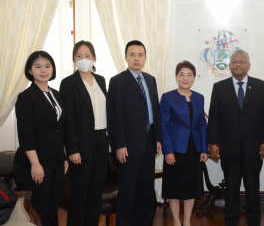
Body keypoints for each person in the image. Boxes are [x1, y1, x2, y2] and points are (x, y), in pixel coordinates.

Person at [208, 49, 264, 226]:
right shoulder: (219, 88)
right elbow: (213, 117)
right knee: (231, 190)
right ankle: (230, 222)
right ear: (229, 66)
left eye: (241, 62)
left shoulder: (261, 86)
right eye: (234, 62)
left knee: (253, 189)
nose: (237, 64)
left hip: (254, 148)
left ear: (248, 65)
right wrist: (213, 142)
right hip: (229, 148)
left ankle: (254, 222)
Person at [109, 40, 162, 226]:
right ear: (125, 58)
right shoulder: (117, 82)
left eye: (140, 55)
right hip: (128, 147)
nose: (136, 58)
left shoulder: (150, 79)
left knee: (146, 190)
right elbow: (114, 116)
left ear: (145, 58)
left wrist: (158, 139)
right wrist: (119, 144)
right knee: (128, 191)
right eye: (132, 55)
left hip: (149, 143)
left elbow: (155, 111)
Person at [13, 51, 68, 226]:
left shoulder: (56, 94)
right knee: (39, 211)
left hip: (57, 161)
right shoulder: (26, 97)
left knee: (52, 209)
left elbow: (61, 129)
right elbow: (25, 134)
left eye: (47, 66)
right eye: (38, 66)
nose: (43, 70)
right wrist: (35, 164)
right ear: (30, 70)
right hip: (35, 163)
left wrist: (64, 156)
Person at [59, 41, 111, 226]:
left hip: (100, 143)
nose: (83, 59)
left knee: (95, 195)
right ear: (74, 59)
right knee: (79, 196)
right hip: (80, 146)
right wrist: (72, 150)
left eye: (87, 55)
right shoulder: (68, 83)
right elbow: (68, 120)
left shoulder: (102, 80)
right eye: (79, 56)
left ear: (94, 58)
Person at [160, 61, 208, 226]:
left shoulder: (199, 97)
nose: (185, 78)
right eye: (182, 74)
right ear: (176, 77)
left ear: (194, 77)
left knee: (190, 187)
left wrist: (203, 149)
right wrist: (167, 151)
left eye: (189, 75)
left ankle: (187, 221)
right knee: (174, 188)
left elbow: (202, 124)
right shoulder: (167, 97)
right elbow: (163, 126)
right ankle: (177, 221)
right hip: (174, 149)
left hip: (193, 149)